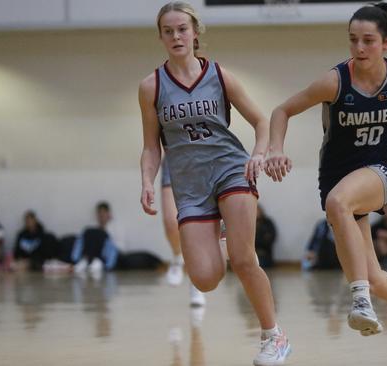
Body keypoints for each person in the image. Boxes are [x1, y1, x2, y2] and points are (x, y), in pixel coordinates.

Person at [265, 2, 387, 357]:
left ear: (386, 43)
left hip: (380, 169)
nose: (359, 48)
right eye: (353, 40)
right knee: (376, 276)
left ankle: (360, 302)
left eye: (368, 40)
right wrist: (275, 148)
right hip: (336, 176)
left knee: (340, 204)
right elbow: (282, 111)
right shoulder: (334, 81)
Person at [138, 2, 290, 365]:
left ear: (195, 33)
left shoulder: (220, 76)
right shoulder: (151, 87)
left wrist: (257, 154)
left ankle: (274, 336)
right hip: (189, 186)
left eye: (182, 29)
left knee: (243, 258)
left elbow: (260, 120)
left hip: (231, 169)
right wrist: (146, 181)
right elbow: (150, 146)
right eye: (169, 31)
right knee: (205, 279)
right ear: (161, 37)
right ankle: (222, 229)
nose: (176, 36)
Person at [161, 158, 208, 306]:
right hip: (174, 157)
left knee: (196, 226)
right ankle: (177, 258)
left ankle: (196, 282)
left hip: (204, 157)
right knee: (171, 222)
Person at [72, 202, 126, 277]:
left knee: (101, 234)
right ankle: (85, 260)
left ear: (108, 214)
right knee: (88, 231)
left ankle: (98, 260)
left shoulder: (116, 227)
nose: (101, 215)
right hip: (93, 253)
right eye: (99, 213)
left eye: (104, 213)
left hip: (109, 253)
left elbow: (121, 247)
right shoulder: (93, 227)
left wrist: (105, 235)